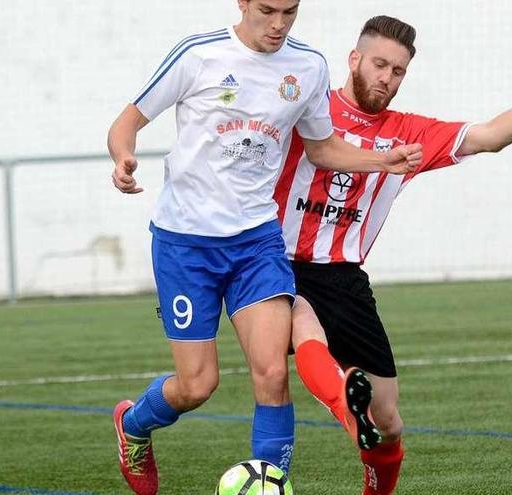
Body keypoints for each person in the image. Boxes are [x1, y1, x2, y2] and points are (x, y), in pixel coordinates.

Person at [276, 15, 512, 495]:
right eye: (379, 64)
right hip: (278, 262)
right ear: (354, 60)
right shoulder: (310, 106)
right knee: (302, 319)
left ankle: (373, 472)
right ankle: (345, 407)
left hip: (345, 277)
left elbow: (489, 136)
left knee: (388, 420)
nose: (386, 77)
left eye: (398, 71)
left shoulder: (407, 132)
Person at [106, 3, 426, 494]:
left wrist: (381, 161)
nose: (279, 23)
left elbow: (321, 148)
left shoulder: (308, 66)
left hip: (256, 240)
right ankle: (134, 425)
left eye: (290, 12)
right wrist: (124, 156)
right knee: (197, 385)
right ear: (243, 2)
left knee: (274, 372)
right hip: (185, 243)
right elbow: (127, 119)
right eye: (268, 10)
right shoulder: (199, 55)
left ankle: (270, 485)